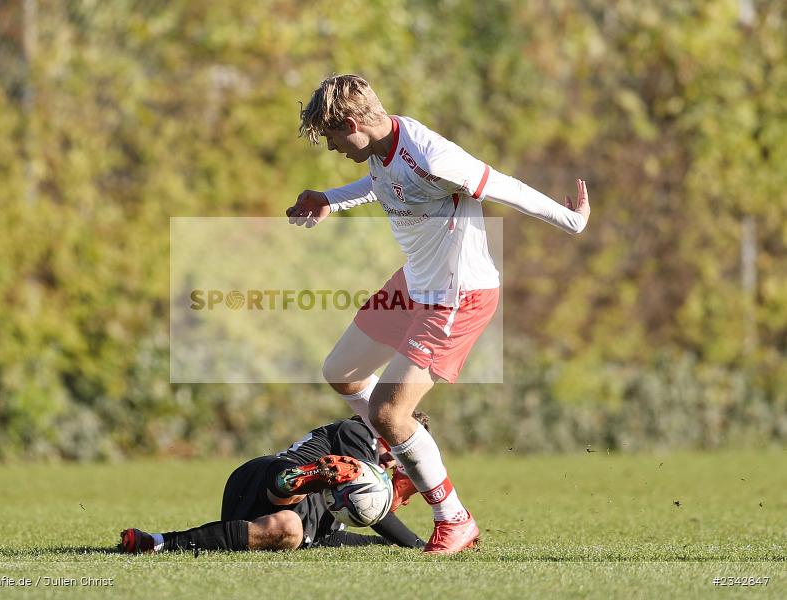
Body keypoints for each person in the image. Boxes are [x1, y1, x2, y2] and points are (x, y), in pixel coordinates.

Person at [286, 74, 591, 554]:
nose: (330, 147)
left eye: (330, 137)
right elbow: (379, 185)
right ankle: (406, 458)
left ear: (351, 123)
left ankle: (454, 519)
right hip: (413, 284)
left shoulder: (432, 155)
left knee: (389, 412)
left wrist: (569, 219)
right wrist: (328, 198)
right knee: (341, 372)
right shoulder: (385, 149)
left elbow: (500, 186)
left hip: (456, 296)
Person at [119, 415, 427, 553]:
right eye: (400, 452)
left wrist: (385, 545)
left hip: (269, 510)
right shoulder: (358, 432)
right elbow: (373, 507)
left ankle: (154, 543)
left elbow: (328, 537)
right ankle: (298, 479)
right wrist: (421, 546)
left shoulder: (333, 512)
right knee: (344, 482)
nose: (393, 463)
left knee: (290, 531)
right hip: (265, 475)